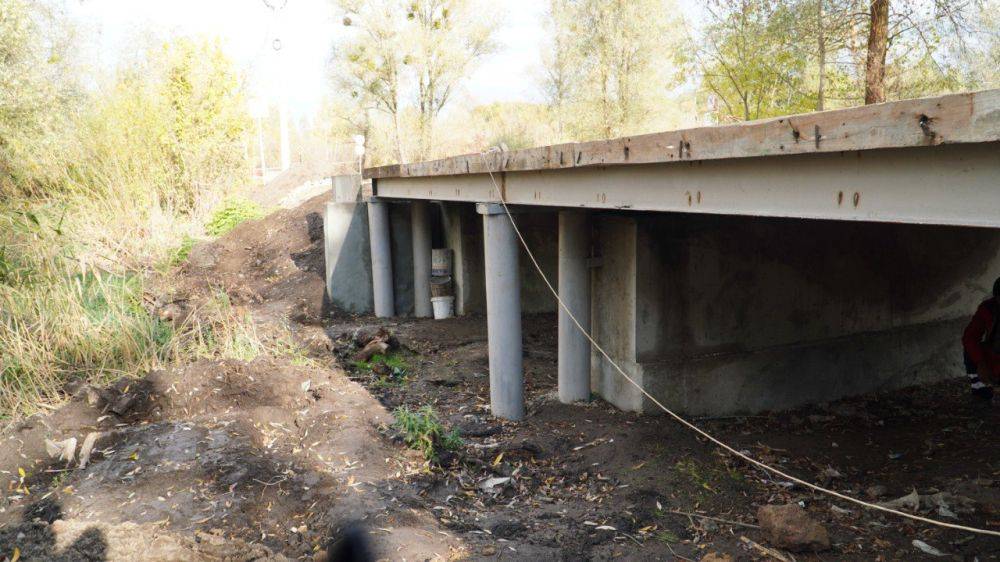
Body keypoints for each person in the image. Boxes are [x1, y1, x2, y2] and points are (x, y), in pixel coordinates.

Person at [963, 276, 1000, 400]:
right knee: (971, 348)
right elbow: (970, 337)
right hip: (993, 359)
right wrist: (980, 363)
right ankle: (979, 387)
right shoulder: (988, 309)